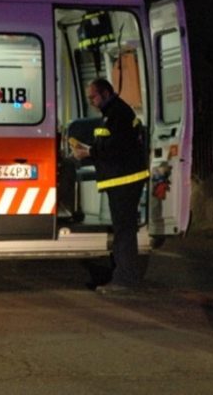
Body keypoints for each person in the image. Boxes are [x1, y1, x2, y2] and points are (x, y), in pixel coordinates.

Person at [72, 78, 149, 294]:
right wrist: (90, 149)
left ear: (105, 93)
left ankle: (125, 280)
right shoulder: (113, 113)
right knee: (122, 231)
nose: (92, 102)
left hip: (125, 181)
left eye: (93, 97)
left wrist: (88, 152)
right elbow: (111, 144)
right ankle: (122, 276)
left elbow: (116, 147)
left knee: (124, 232)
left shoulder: (118, 114)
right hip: (121, 181)